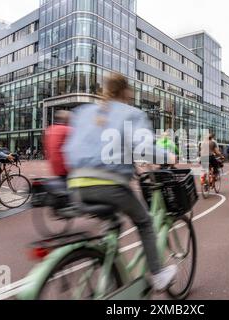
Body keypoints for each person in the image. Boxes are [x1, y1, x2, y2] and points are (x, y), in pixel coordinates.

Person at [64, 74, 177, 292]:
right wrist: (169, 158)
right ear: (127, 92)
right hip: (109, 185)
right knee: (144, 222)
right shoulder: (132, 114)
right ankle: (158, 274)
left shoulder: (84, 112)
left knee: (113, 221)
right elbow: (143, 148)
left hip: (76, 184)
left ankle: (107, 263)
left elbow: (74, 148)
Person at [44, 110, 72, 179]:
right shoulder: (68, 129)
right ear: (67, 120)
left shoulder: (50, 129)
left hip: (54, 168)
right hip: (66, 168)